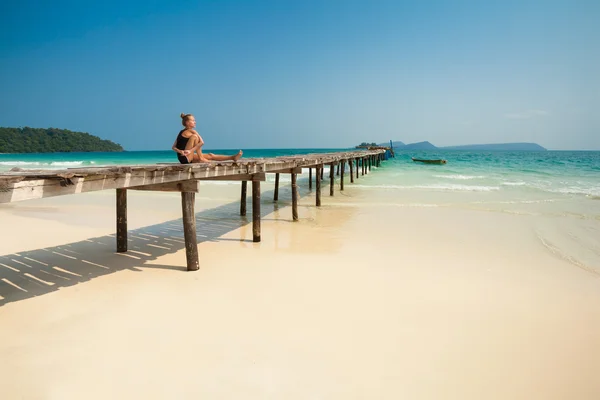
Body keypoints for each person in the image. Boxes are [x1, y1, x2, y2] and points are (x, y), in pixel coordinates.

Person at [172, 113, 243, 164]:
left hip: (184, 158)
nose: (195, 122)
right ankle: (201, 158)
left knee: (210, 155)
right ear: (187, 122)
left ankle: (232, 157)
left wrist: (181, 151)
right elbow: (202, 142)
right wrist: (189, 151)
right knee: (195, 137)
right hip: (186, 157)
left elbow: (173, 147)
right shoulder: (192, 131)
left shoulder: (181, 132)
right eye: (193, 120)